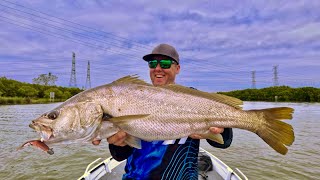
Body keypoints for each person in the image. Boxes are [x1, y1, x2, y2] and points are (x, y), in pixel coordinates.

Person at [107, 43, 233, 179]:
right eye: (152, 63)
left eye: (165, 63)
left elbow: (224, 142)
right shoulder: (131, 99)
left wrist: (222, 129)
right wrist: (118, 143)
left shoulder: (194, 99)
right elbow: (119, 156)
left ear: (177, 68)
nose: (158, 68)